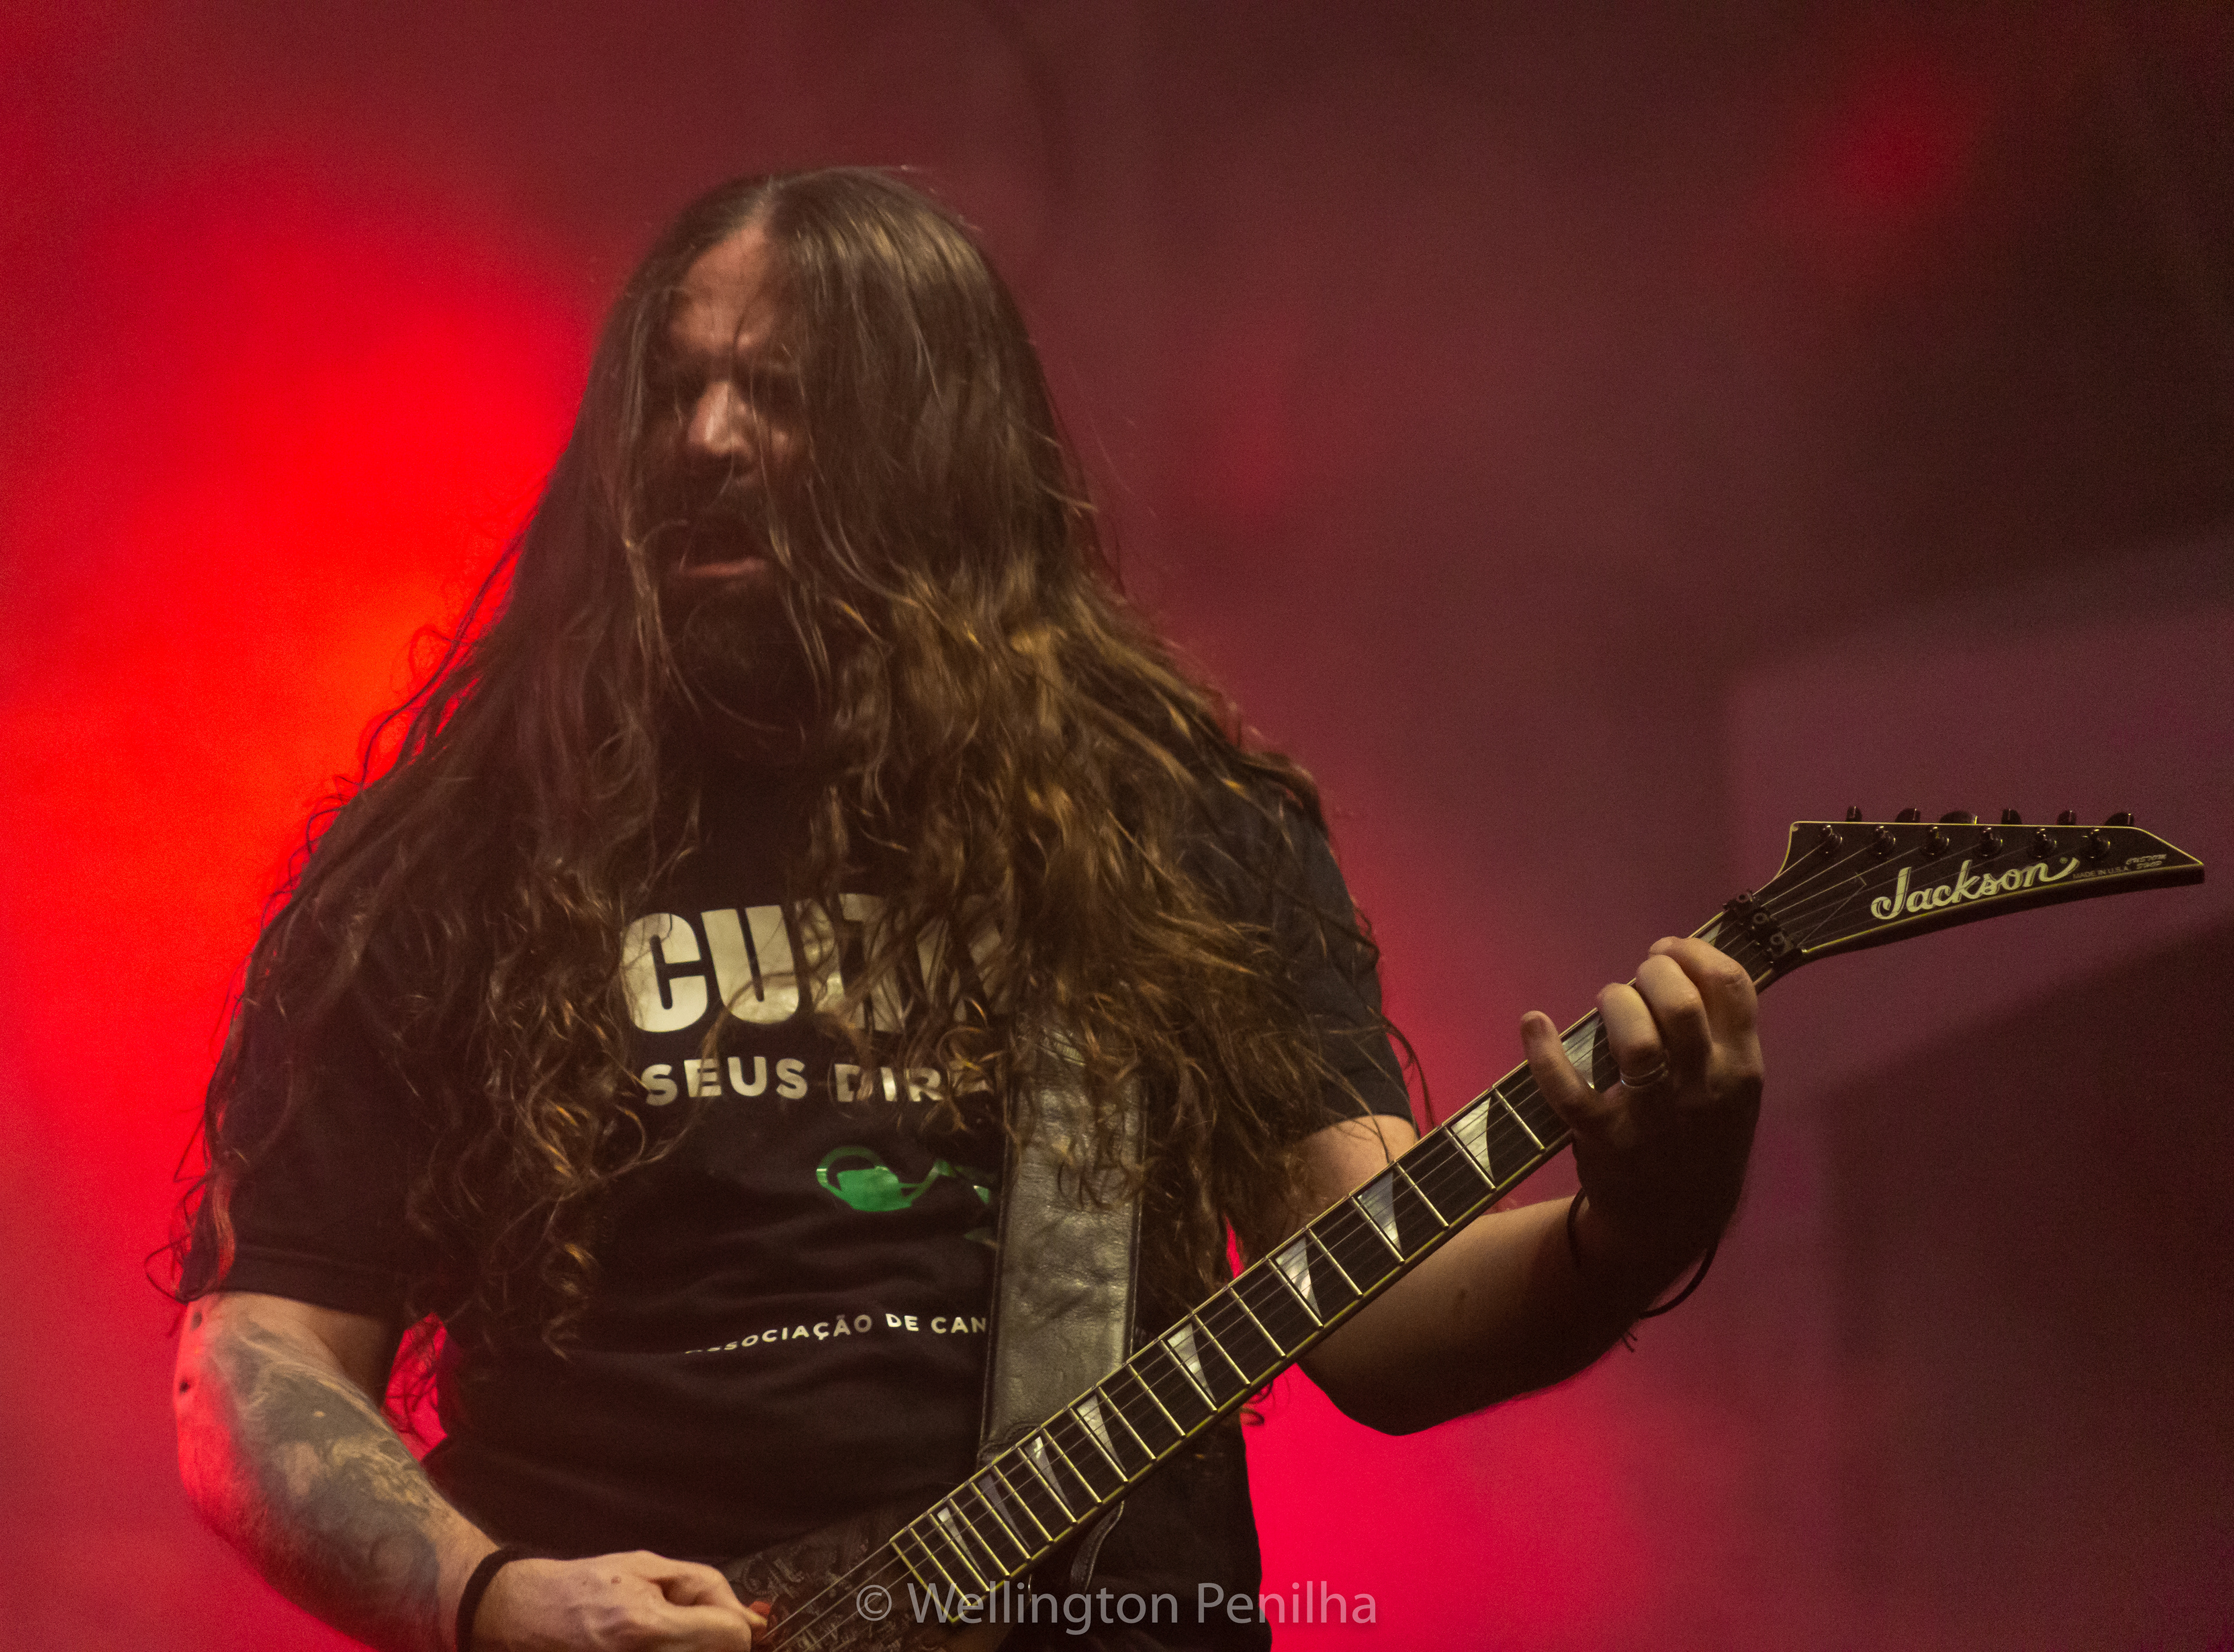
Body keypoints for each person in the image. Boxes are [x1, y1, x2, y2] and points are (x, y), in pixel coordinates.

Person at [172, 168, 1761, 1652]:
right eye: (673, 390)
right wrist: (495, 1600)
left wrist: (1638, 1228)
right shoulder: (465, 852)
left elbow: (1380, 1314)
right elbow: (257, 1362)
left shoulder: (1170, 825)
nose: (706, 439)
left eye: (780, 393)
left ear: (932, 450)